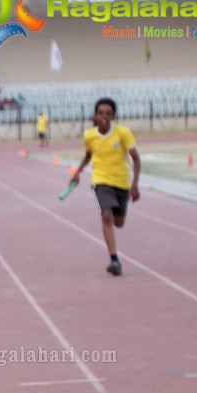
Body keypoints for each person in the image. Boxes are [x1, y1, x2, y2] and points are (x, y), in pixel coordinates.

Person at [69, 98, 140, 276]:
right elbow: (88, 155)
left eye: (108, 113)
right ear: (95, 115)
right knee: (106, 215)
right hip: (100, 181)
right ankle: (114, 259)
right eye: (100, 113)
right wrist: (78, 171)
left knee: (119, 222)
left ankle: (114, 254)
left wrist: (135, 185)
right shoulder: (89, 135)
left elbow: (136, 158)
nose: (104, 117)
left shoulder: (123, 133)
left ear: (113, 116)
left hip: (122, 182)